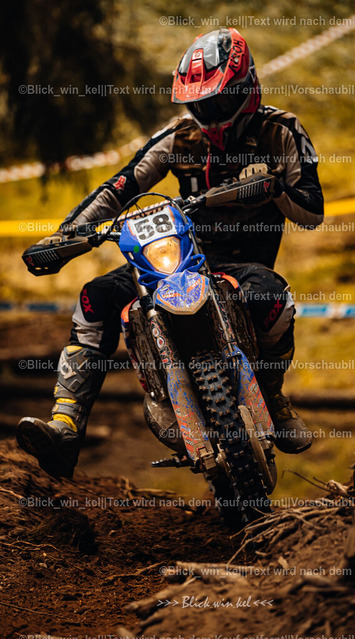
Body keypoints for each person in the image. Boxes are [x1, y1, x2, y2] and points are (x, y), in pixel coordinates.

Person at [17, 28, 324, 479]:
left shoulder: (280, 132)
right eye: (200, 104)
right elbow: (121, 187)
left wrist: (275, 186)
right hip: (176, 258)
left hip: (242, 264)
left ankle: (273, 398)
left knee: (273, 296)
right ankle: (65, 425)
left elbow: (312, 212)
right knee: (94, 298)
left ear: (247, 88)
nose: (209, 114)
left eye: (218, 101)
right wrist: (67, 235)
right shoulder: (180, 137)